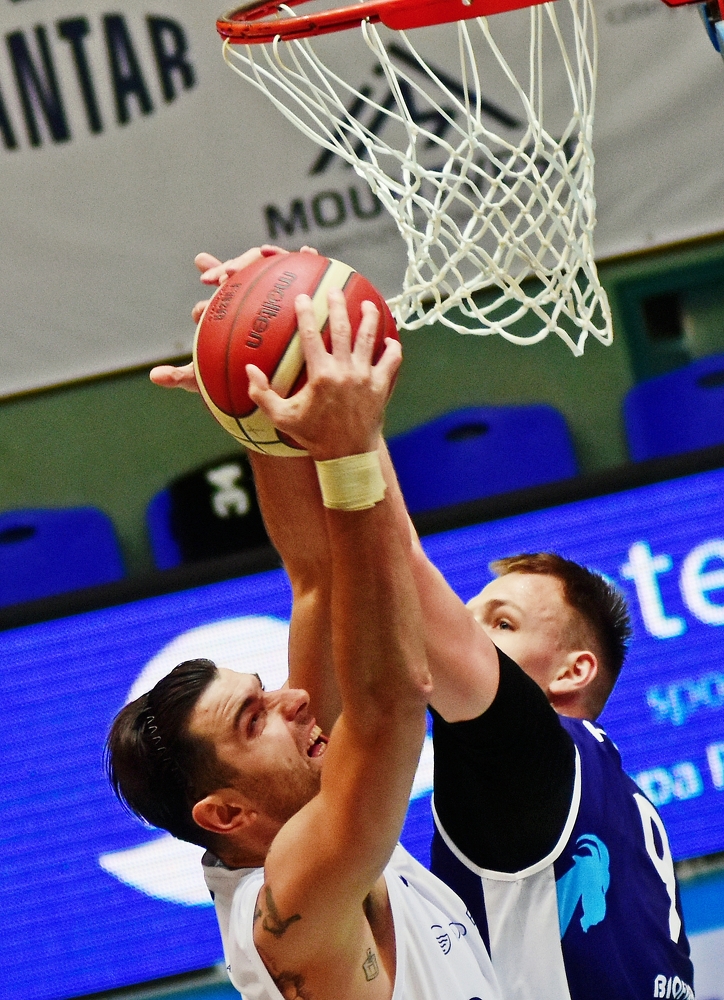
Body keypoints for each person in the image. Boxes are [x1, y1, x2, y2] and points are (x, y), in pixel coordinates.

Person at [152, 246, 695, 1000]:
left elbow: (375, 577)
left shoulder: (527, 764)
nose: (456, 631)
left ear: (573, 671)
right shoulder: (324, 856)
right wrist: (273, 408)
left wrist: (302, 405)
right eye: (469, 614)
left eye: (498, 623)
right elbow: (332, 592)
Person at [107, 286, 503, 1000]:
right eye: (253, 719)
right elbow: (390, 701)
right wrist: (348, 453)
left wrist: (254, 393)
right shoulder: (291, 898)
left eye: (263, 693)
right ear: (226, 814)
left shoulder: (304, 805)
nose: (293, 700)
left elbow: (317, 580)